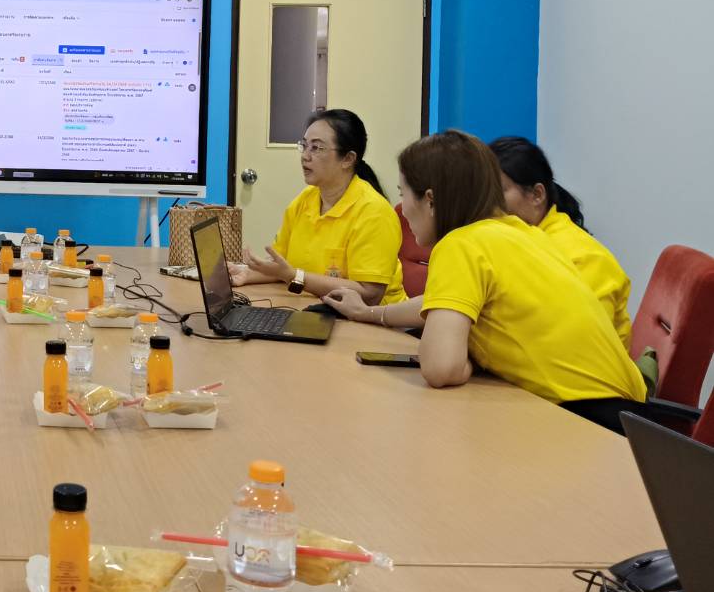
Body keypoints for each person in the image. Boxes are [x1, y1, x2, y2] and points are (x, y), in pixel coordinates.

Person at [391, 130, 646, 428]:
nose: (402, 209)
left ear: (430, 200)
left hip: (587, 422)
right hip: (628, 418)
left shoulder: (460, 244)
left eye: (402, 194)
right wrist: (373, 314)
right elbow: (443, 307)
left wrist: (468, 361)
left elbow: (441, 369)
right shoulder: (525, 234)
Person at [229, 108, 406, 305]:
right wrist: (247, 273)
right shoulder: (304, 201)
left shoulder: (374, 212)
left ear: (348, 159)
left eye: (317, 148)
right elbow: (284, 268)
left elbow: (370, 293)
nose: (305, 156)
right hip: (314, 308)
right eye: (304, 146)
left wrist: (296, 277)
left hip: (370, 319)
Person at [490, 136, 632, 348]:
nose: (488, 202)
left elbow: (582, 343)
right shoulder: (516, 242)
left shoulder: (584, 258)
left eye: (499, 191)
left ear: (537, 195)